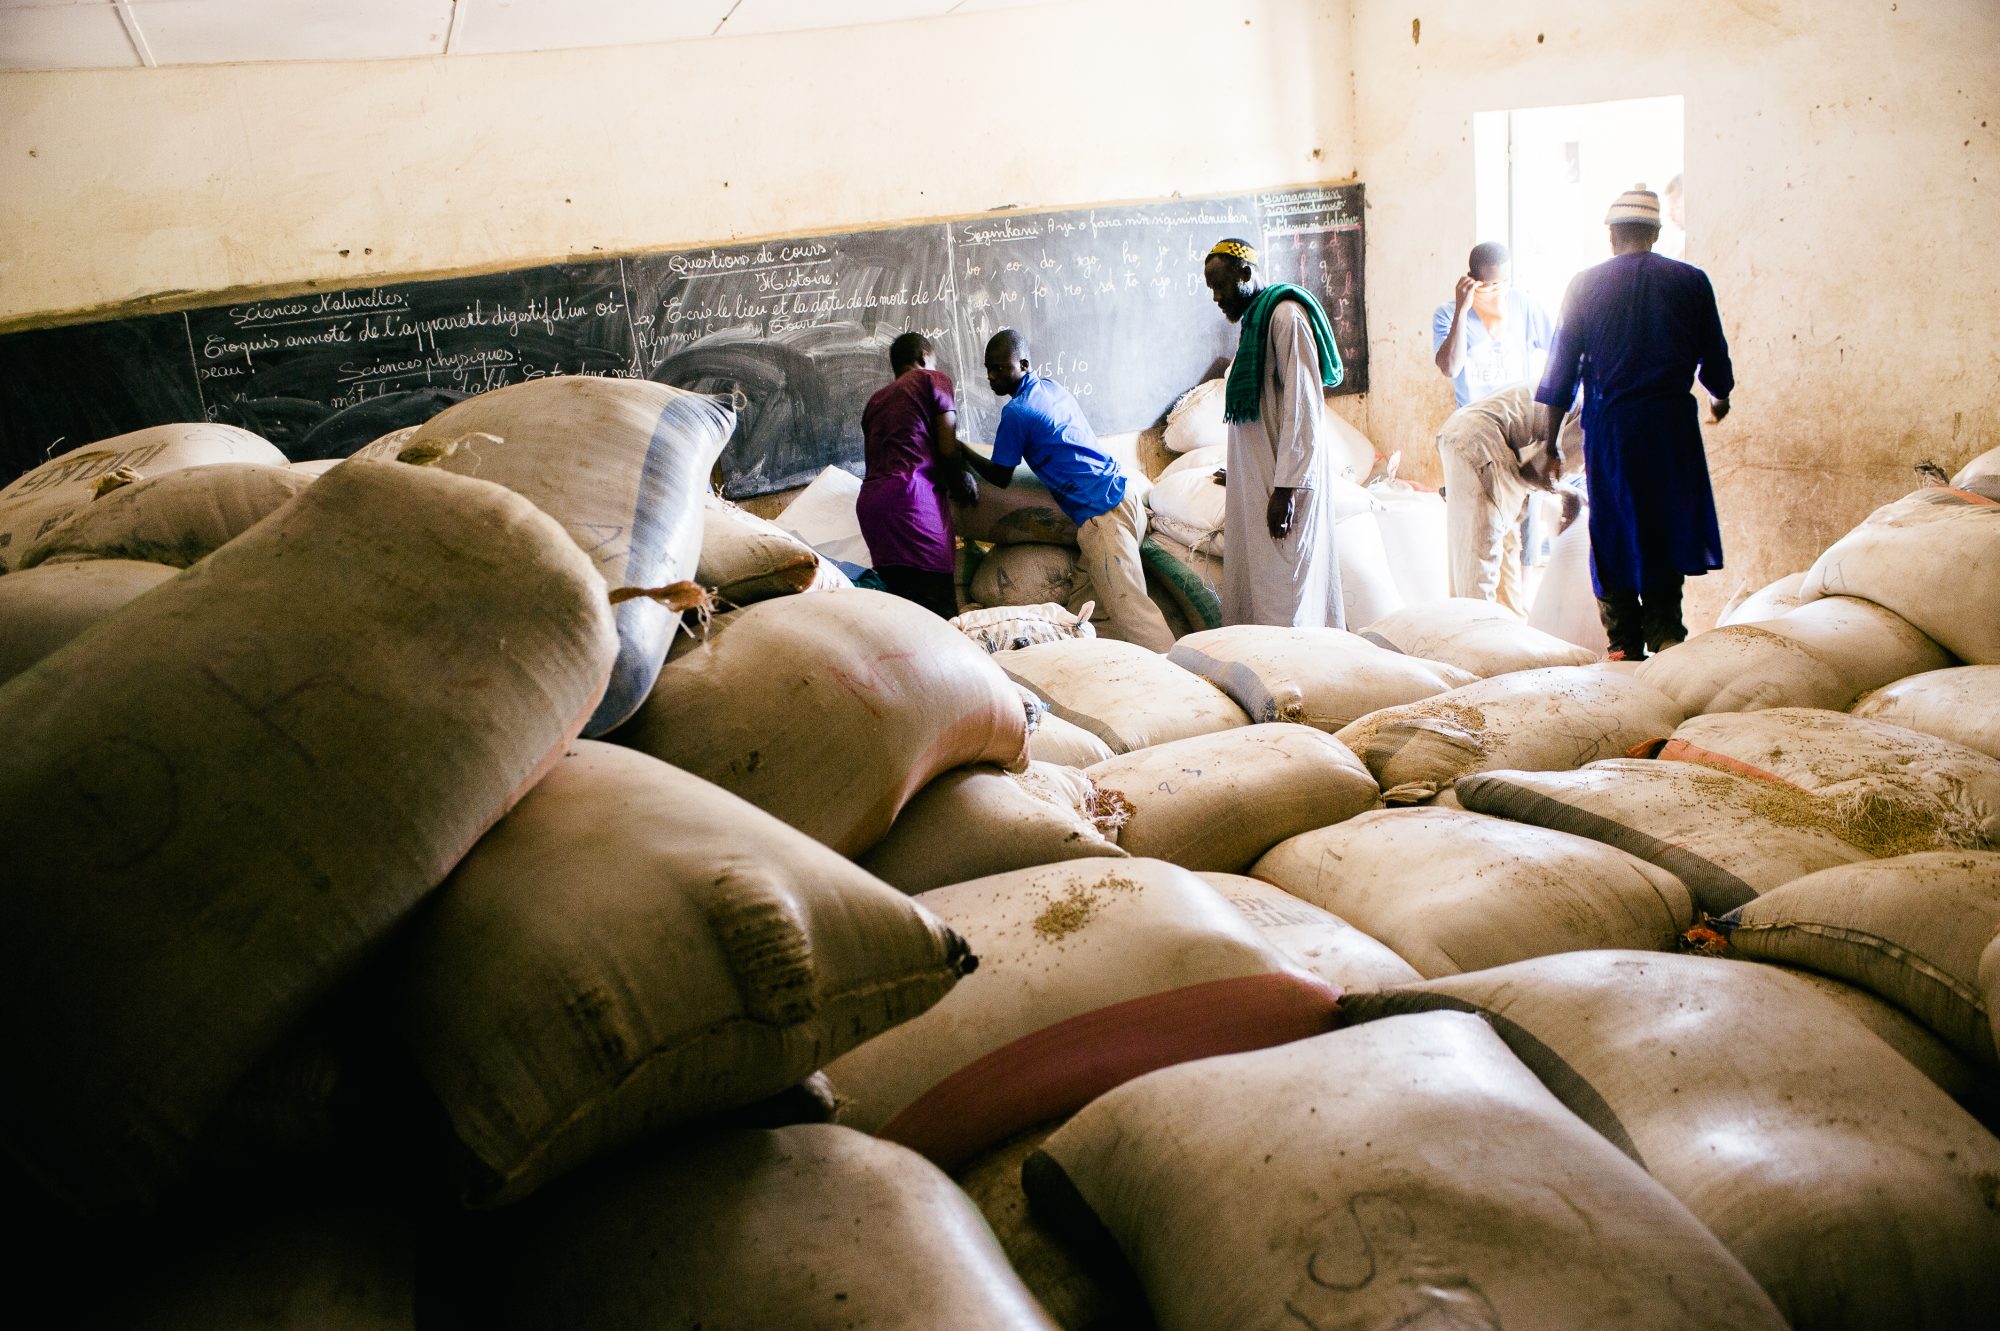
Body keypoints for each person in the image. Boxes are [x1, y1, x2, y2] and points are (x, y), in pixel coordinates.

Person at [1535, 186, 1734, 661]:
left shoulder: (1585, 285)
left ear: (1611, 236)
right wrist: (1719, 397)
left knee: (1613, 527)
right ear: (1657, 233)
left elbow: (1560, 368)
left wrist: (1549, 443)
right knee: (1665, 523)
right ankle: (1666, 633)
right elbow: (1716, 362)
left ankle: (1622, 642)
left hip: (1613, 430)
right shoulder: (1691, 281)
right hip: (1670, 428)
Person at [965, 328, 1174, 652]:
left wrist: (959, 450)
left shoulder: (1017, 412)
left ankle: (1186, 683)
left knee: (1135, 615)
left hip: (1104, 517)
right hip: (1124, 496)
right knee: (1086, 612)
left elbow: (1001, 476)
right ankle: (1110, 675)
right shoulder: (1050, 387)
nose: (992, 376)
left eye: (1000, 368)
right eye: (988, 369)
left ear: (1023, 363)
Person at [1199, 238, 1346, 628]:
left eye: (1221, 286)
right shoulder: (1256, 321)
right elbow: (1265, 414)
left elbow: (1304, 408)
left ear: (1246, 274)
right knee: (1263, 592)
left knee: (1285, 593)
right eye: (1211, 289)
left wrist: (1286, 489)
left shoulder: (1285, 318)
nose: (1216, 297)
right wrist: (1244, 468)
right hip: (1264, 482)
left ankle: (1292, 681)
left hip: (1285, 492)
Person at [856, 331, 975, 619]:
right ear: (924, 357)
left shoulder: (875, 401)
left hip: (873, 509)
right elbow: (947, 448)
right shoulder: (932, 379)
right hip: (912, 504)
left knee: (904, 614)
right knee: (939, 614)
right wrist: (962, 483)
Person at [1436, 384, 1582, 615]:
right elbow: (1536, 471)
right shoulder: (1594, 422)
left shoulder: (1589, 405)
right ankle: (1476, 639)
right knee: (1479, 562)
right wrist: (1570, 495)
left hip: (1476, 436)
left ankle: (1503, 633)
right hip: (1481, 440)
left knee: (1506, 551)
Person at [1433, 241, 1556, 408]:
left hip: (1517, 416)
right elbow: (1451, 369)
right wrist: (1461, 311)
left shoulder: (1523, 304)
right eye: (1492, 285)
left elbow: (1559, 351)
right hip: (1472, 420)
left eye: (1506, 281)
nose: (1501, 289)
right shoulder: (1447, 314)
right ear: (1471, 279)